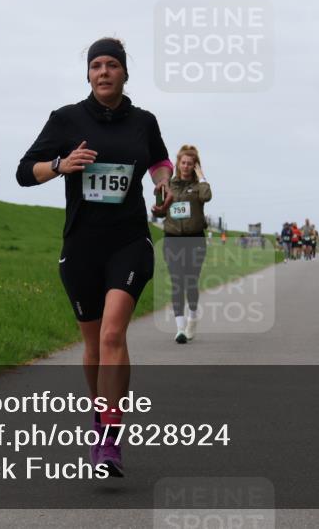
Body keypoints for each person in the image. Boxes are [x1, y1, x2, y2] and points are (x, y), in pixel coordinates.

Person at [16, 37, 173, 477]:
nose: (104, 72)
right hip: (82, 245)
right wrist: (60, 165)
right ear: (88, 74)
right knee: (92, 346)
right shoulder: (66, 119)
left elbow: (160, 161)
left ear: (125, 73)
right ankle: (101, 415)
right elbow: (24, 172)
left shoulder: (143, 121)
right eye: (96, 65)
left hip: (130, 241)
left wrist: (163, 185)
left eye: (112, 65)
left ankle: (109, 434)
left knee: (111, 335)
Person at [157, 145, 212, 344]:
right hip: (172, 240)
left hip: (195, 240)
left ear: (195, 165)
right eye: (183, 163)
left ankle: (192, 319)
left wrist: (201, 176)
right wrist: (156, 209)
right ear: (178, 164)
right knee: (177, 282)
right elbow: (161, 210)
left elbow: (206, 197)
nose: (186, 166)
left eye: (190, 163)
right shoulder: (169, 185)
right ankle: (180, 329)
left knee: (190, 282)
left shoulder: (199, 186)